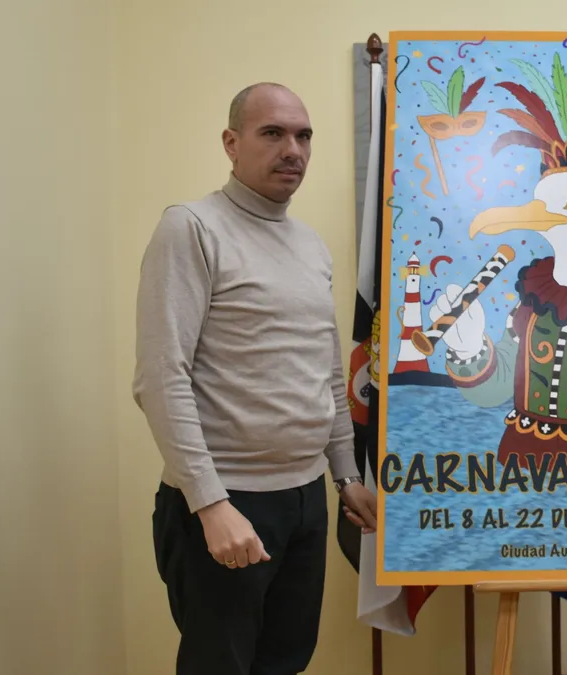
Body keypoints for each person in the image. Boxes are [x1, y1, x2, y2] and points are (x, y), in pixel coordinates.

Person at [133, 81, 377, 675]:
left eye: (303, 136)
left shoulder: (310, 245)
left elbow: (325, 370)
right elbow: (161, 378)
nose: (292, 149)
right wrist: (210, 504)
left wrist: (345, 475)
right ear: (231, 142)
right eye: (272, 133)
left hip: (305, 499)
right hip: (226, 500)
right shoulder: (191, 228)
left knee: (285, 662)